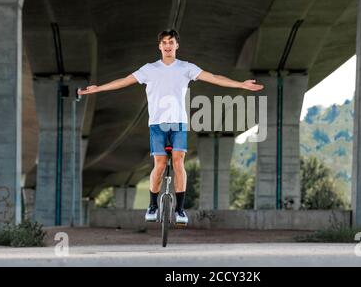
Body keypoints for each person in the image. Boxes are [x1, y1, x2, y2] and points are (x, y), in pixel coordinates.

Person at [78, 29, 263, 225]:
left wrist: (240, 85)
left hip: (178, 123)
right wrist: (99, 88)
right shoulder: (149, 69)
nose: (167, 45)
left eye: (171, 42)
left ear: (177, 45)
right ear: (159, 46)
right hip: (157, 124)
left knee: (177, 162)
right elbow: (123, 81)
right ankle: (152, 205)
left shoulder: (186, 68)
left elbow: (214, 77)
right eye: (164, 42)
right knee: (159, 165)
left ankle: (180, 210)